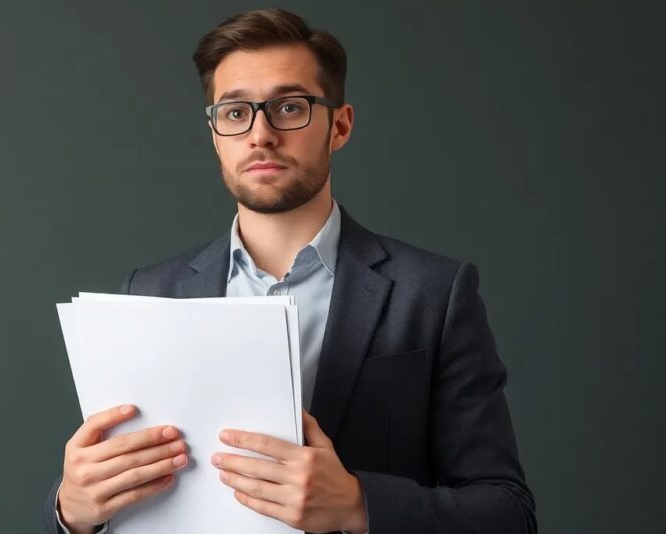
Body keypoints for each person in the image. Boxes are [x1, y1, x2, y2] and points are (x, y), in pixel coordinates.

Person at [43, 8, 536, 534]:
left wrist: (357, 505)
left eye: (289, 107)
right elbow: (119, 492)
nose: (260, 134)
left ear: (339, 125)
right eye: (235, 113)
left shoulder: (434, 294)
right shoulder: (150, 293)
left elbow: (507, 513)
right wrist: (72, 511)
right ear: (215, 133)